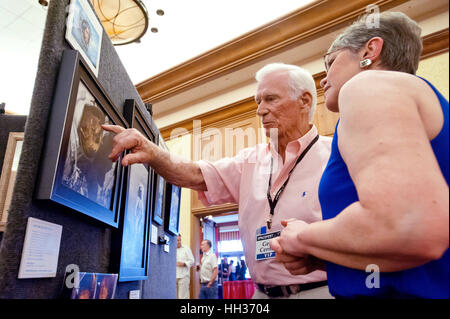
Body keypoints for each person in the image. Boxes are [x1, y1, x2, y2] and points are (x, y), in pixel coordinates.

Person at [102, 62, 333, 299]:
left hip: (320, 291)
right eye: (258, 102)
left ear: (304, 101)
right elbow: (195, 174)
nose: (260, 110)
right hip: (261, 294)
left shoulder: (338, 154)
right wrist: (151, 151)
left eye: (270, 99)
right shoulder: (250, 160)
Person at [270, 11, 449, 299]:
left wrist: (301, 237)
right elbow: (407, 247)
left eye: (330, 63)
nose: (323, 80)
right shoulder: (423, 103)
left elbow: (410, 226)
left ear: (370, 50)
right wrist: (323, 254)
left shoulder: (368, 84)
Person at [176, 234, 195, 299]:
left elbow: (192, 261)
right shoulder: (171, 248)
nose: (179, 242)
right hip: (173, 277)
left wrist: (184, 264)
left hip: (183, 276)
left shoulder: (186, 249)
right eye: (177, 240)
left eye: (180, 240)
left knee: (182, 297)